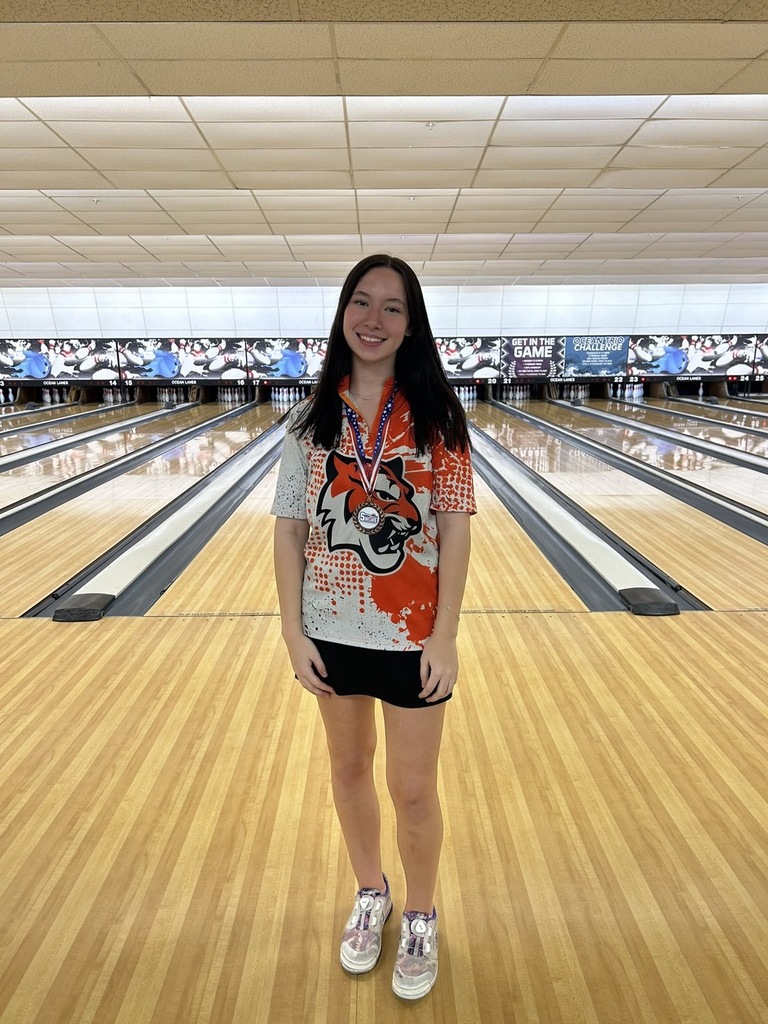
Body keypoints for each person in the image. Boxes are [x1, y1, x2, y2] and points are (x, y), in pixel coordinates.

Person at [271, 253, 475, 1001]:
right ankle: (370, 892)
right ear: (343, 313)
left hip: (412, 635)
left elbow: (456, 528)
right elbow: (290, 529)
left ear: (411, 324)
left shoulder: (439, 419)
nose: (374, 319)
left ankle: (419, 914)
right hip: (331, 629)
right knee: (350, 771)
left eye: (393, 307)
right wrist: (293, 632)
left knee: (413, 790)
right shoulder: (309, 420)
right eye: (362, 301)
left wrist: (445, 635)